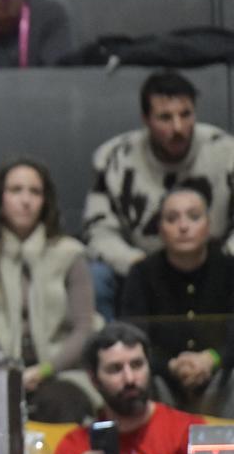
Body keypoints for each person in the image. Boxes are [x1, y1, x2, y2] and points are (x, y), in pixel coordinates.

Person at [0, 157, 96, 423]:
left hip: (58, 373)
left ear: (45, 201)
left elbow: (84, 328)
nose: (26, 200)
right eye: (16, 190)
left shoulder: (69, 254)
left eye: (35, 192)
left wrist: (45, 370)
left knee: (60, 403)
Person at [83, 70, 234, 321]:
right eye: (165, 117)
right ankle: (114, 351)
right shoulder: (113, 158)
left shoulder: (226, 152)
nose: (178, 127)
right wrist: (142, 267)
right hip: (139, 264)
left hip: (215, 264)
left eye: (186, 115)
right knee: (95, 276)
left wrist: (223, 260)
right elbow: (99, 231)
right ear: (146, 119)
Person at [120, 187, 234, 414]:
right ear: (160, 228)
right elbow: (131, 337)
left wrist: (212, 359)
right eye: (172, 219)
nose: (183, 226)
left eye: (193, 217)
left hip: (223, 376)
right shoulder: (142, 274)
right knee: (134, 374)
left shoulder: (229, 269)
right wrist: (170, 365)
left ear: (209, 225)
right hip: (161, 381)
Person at [52, 322, 205, 454]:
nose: (130, 379)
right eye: (115, 369)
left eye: (137, 365)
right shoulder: (73, 448)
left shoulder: (189, 432)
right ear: (94, 379)